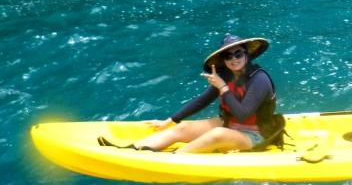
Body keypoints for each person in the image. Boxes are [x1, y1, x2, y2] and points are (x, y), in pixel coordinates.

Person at [99, 33, 278, 153]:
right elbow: (203, 101)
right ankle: (131, 151)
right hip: (230, 124)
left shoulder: (259, 79)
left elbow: (242, 114)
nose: (234, 60)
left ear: (247, 54)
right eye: (228, 56)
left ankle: (174, 158)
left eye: (238, 54)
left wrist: (222, 88)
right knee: (182, 128)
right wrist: (169, 121)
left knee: (217, 135)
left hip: (256, 135)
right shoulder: (225, 74)